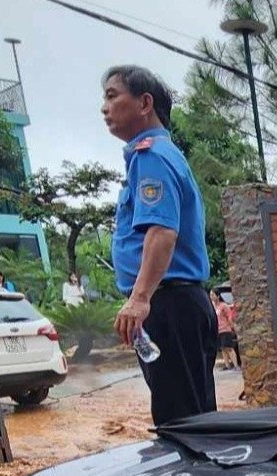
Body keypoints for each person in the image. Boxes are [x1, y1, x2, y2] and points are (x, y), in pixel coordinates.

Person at [102, 64, 217, 424]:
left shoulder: (152, 156)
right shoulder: (155, 155)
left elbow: (162, 232)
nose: (104, 108)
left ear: (144, 103)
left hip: (170, 305)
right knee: (191, 417)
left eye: (112, 96)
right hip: (173, 303)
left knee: (183, 426)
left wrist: (139, 299)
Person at [212, 283, 238, 369]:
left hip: (225, 329)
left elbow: (229, 316)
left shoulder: (224, 306)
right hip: (218, 330)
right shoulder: (214, 307)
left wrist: (232, 327)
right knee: (223, 348)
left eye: (213, 295)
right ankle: (227, 365)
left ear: (218, 296)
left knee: (229, 347)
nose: (211, 296)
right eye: (210, 295)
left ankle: (235, 365)